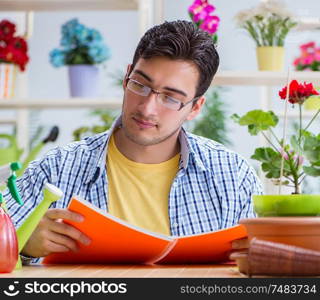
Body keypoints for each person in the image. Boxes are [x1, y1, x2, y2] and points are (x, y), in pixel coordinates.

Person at [5, 20, 262, 259]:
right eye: (140, 84)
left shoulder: (232, 177)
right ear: (127, 76)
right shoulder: (57, 169)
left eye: (171, 98)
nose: (148, 108)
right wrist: (22, 244)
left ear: (195, 108)